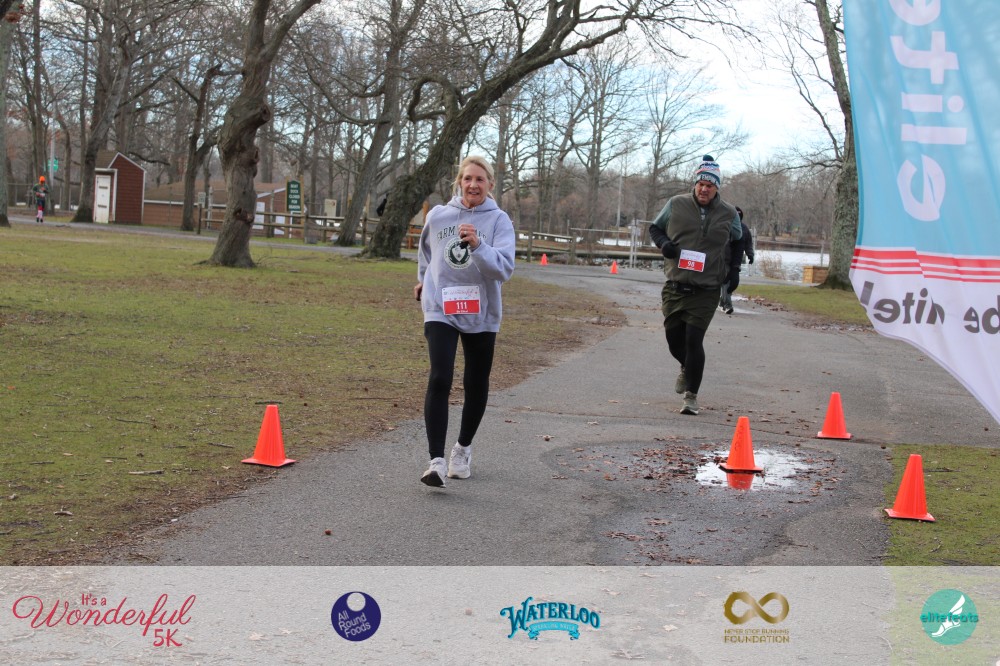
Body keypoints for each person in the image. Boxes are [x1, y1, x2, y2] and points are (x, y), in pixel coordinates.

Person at [414, 155, 516, 487]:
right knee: (440, 376)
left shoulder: (499, 221)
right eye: (467, 178)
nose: (473, 185)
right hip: (440, 306)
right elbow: (426, 253)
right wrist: (423, 281)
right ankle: (436, 461)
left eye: (480, 180)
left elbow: (504, 268)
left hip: (481, 310)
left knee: (475, 382)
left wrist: (479, 245)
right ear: (459, 182)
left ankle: (462, 449)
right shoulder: (438, 215)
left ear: (490, 185)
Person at [648, 155, 742, 415]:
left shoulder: (728, 213)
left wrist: (735, 270)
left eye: (709, 186)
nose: (704, 189)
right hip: (676, 284)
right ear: (696, 184)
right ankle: (686, 367)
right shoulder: (676, 204)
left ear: (716, 188)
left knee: (693, 340)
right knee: (673, 340)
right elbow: (655, 229)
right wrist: (664, 245)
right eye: (701, 184)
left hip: (707, 288)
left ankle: (691, 396)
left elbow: (739, 239)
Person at [720, 206, 754, 315]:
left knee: (733, 283)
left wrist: (750, 254)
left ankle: (722, 300)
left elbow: (748, 243)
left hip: (736, 260)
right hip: (724, 259)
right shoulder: (723, 226)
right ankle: (727, 304)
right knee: (725, 282)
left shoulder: (744, 229)